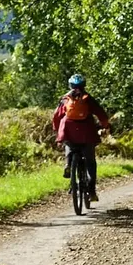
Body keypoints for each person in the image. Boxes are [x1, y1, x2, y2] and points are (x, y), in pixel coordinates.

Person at [52, 74, 111, 202]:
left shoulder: (65, 99)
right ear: (84, 85)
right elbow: (101, 114)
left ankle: (68, 164)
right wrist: (105, 125)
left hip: (68, 129)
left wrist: (58, 131)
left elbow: (56, 116)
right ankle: (92, 192)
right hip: (87, 132)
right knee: (90, 161)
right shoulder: (88, 99)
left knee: (69, 144)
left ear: (70, 86)